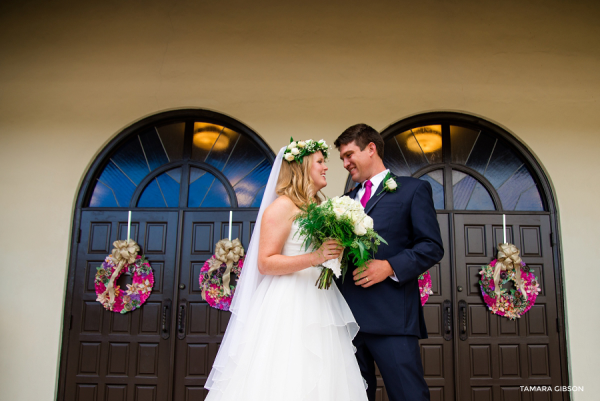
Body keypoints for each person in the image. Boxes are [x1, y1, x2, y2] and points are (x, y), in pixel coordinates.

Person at [204, 140, 368, 401]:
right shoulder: (282, 207)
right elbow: (265, 262)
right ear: (303, 167)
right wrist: (316, 256)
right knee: (287, 371)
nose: (326, 167)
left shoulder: (316, 208)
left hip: (320, 300)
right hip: (288, 302)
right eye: (320, 162)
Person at [334, 124, 444, 401]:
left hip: (393, 318)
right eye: (342, 159)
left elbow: (431, 246)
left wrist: (390, 266)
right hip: (347, 319)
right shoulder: (343, 202)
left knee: (408, 395)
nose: (346, 164)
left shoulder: (413, 190)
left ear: (371, 149)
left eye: (349, 155)